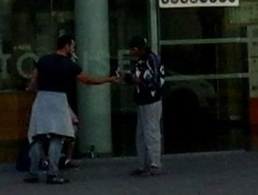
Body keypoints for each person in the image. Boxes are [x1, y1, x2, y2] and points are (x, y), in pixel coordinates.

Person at [25, 34, 116, 184]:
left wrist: (31, 93)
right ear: (66, 46)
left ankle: (33, 172)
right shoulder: (70, 65)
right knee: (57, 136)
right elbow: (88, 81)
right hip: (58, 100)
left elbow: (33, 82)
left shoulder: (43, 60)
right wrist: (109, 79)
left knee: (37, 136)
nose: (74, 49)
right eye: (73, 46)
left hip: (41, 99)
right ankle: (53, 173)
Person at [120, 36, 167, 177]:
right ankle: (144, 164)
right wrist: (130, 79)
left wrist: (136, 80)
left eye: (133, 49)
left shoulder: (151, 60)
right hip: (143, 100)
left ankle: (154, 164)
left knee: (151, 131)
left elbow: (155, 81)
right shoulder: (143, 60)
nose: (131, 52)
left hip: (150, 99)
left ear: (137, 49)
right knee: (142, 134)